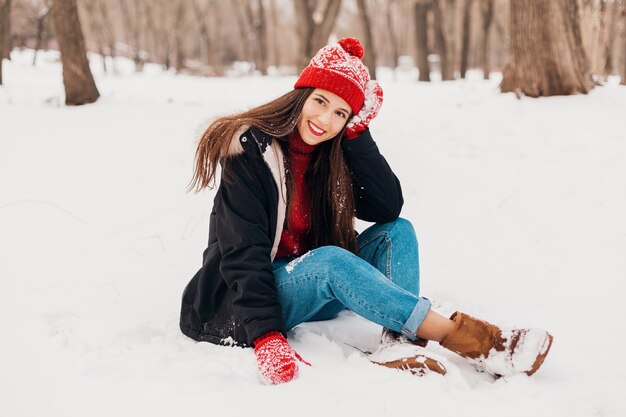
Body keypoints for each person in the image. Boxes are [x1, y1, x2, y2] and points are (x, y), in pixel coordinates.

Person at [179, 38, 553, 385]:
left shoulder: (331, 151)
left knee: (397, 231)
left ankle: (398, 343)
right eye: (321, 102)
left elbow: (387, 207)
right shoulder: (251, 151)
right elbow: (241, 251)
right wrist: (265, 335)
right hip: (241, 303)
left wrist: (358, 137)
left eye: (341, 114)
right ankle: (477, 341)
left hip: (311, 284)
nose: (325, 120)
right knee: (329, 261)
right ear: (302, 95)